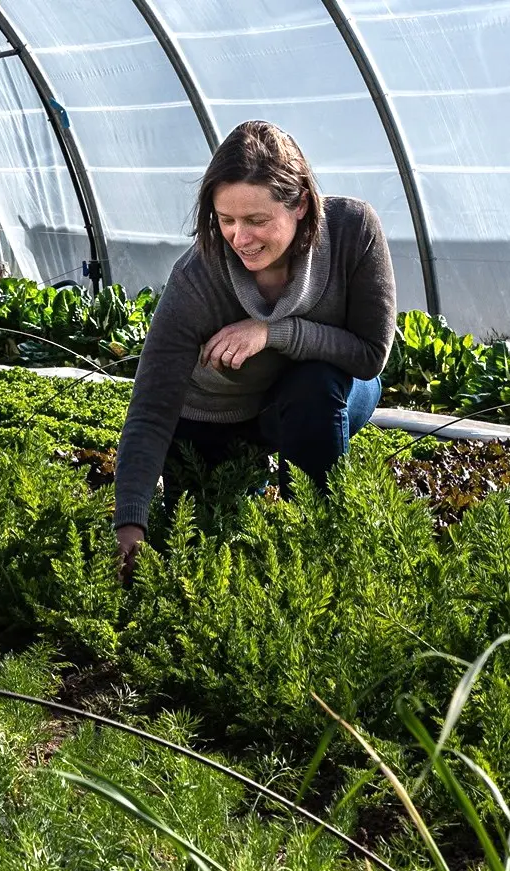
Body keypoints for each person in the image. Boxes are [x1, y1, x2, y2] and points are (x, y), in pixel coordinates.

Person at [114, 120, 396, 580]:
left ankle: (314, 549)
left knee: (315, 387)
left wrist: (272, 332)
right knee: (207, 537)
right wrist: (130, 522)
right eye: (226, 220)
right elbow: (151, 407)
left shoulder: (352, 231)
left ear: (301, 203)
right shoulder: (196, 278)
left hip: (325, 390)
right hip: (223, 410)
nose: (240, 239)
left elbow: (370, 354)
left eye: (257, 220)